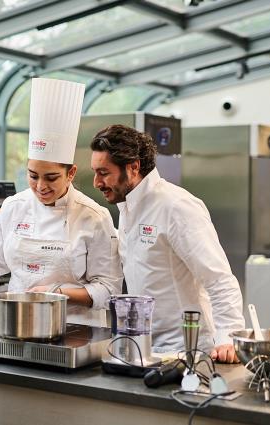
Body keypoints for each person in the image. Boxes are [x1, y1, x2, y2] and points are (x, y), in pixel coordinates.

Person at [0, 78, 122, 326]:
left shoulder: (93, 216)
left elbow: (109, 290)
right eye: (33, 176)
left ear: (70, 173)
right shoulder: (14, 206)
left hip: (76, 329)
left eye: (51, 177)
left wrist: (57, 293)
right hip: (15, 323)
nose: (40, 186)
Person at [90, 124, 244, 362]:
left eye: (104, 173)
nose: (96, 182)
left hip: (188, 349)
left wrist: (228, 337)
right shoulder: (128, 207)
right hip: (145, 346)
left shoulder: (176, 206)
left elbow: (219, 279)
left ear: (133, 167)